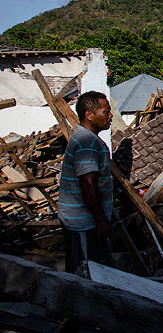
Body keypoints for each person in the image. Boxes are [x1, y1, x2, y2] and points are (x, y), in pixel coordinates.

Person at [58, 91, 114, 273]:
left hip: (85, 221)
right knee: (82, 274)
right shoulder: (87, 143)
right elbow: (88, 183)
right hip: (82, 224)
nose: (110, 116)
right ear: (89, 115)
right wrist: (100, 219)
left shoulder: (88, 139)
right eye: (106, 112)